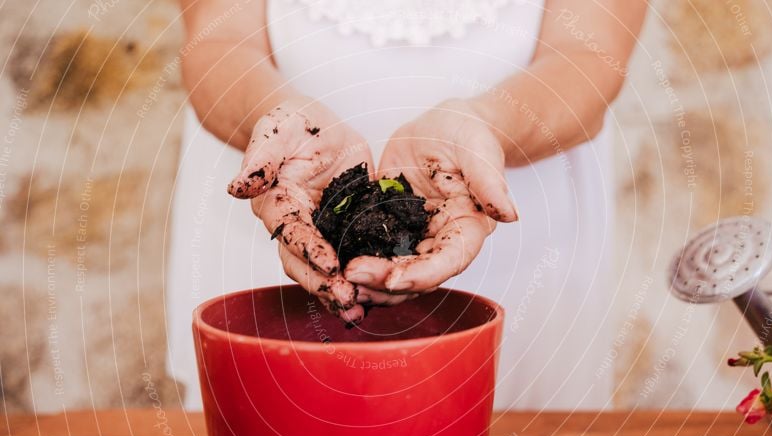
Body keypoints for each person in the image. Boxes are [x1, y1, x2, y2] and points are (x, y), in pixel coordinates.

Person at [169, 0, 647, 410]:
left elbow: (590, 55)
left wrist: (489, 124)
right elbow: (216, 42)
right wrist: (272, 119)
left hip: (512, 247)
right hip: (284, 214)